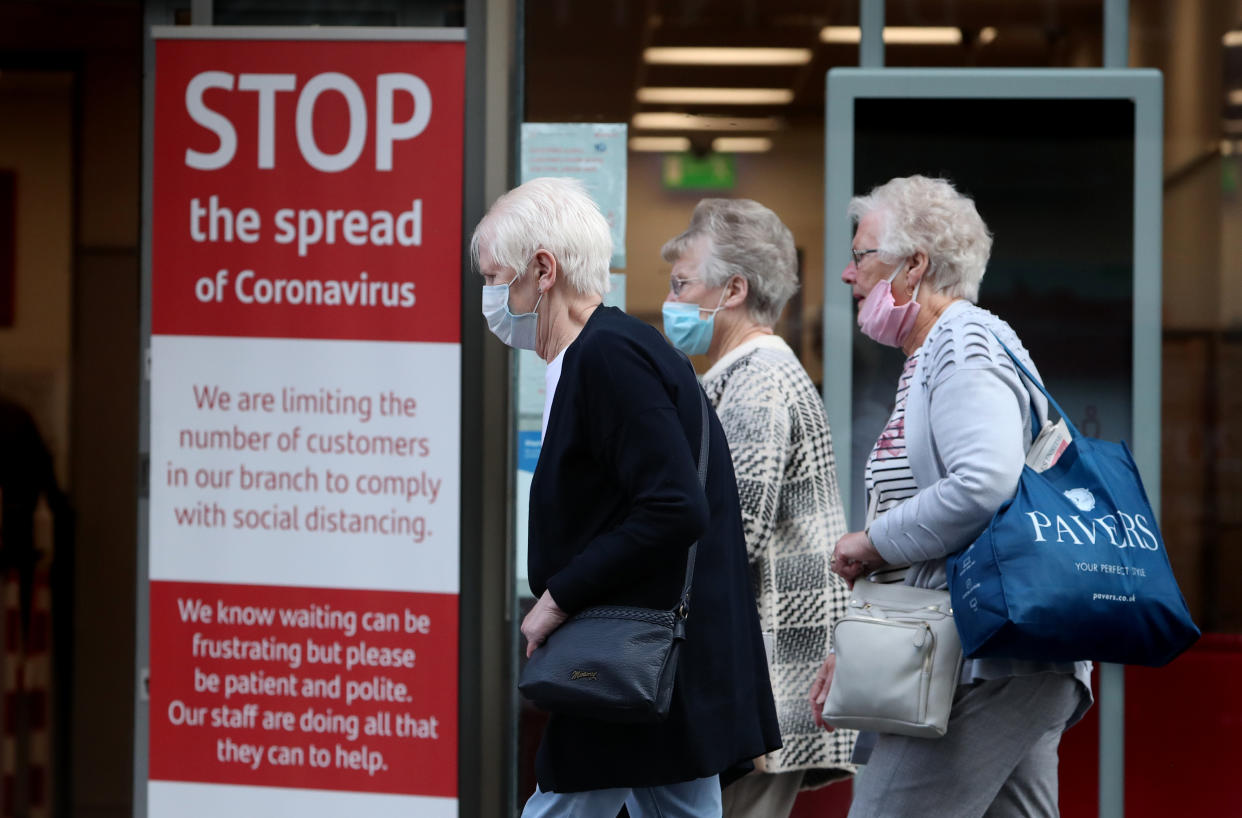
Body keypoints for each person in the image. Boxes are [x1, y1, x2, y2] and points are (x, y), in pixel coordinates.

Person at [472, 177, 781, 818]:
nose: (490, 296)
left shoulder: (606, 358)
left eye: (495, 276)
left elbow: (672, 506)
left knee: (564, 802)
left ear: (542, 269)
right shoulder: (615, 350)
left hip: (631, 658)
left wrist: (558, 598)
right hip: (648, 667)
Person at [807, 175, 1093, 818]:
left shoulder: (962, 346)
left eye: (862, 256)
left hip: (982, 661)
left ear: (914, 265)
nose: (850, 275)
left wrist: (870, 542)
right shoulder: (947, 348)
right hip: (994, 659)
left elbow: (984, 482)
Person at [661, 199, 857, 817]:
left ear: (734, 289)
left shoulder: (758, 382)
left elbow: (729, 533)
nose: (672, 300)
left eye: (682, 284)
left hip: (762, 675)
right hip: (761, 675)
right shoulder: (746, 374)